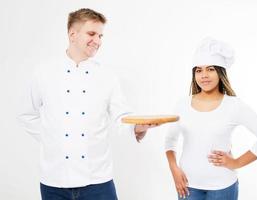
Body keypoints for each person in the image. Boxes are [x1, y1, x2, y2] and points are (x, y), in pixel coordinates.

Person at [17, 8, 155, 200]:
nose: (97, 41)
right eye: (91, 34)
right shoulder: (43, 72)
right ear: (72, 34)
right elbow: (27, 115)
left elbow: (121, 116)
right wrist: (52, 137)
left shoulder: (107, 76)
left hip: (98, 181)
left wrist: (137, 126)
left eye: (100, 35)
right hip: (54, 180)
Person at [165, 37, 257, 200]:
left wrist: (236, 163)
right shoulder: (182, 104)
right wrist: (174, 169)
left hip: (222, 188)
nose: (204, 75)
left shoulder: (234, 105)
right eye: (199, 70)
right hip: (187, 184)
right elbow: (170, 140)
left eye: (210, 69)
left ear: (220, 72)